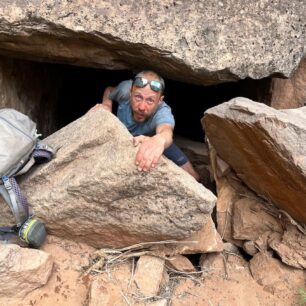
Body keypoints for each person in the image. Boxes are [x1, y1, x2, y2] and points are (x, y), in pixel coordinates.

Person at [90, 70, 200, 181]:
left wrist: (159, 140)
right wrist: (107, 105)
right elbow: (109, 90)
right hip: (123, 137)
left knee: (194, 177)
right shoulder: (124, 89)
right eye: (138, 97)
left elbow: (166, 131)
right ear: (130, 92)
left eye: (150, 100)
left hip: (153, 140)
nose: (142, 107)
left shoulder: (162, 111)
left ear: (159, 101)